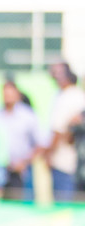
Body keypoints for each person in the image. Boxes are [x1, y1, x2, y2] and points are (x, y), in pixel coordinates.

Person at [40, 63, 85, 201]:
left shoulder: (69, 96)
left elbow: (59, 131)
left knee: (65, 210)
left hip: (67, 164)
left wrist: (48, 154)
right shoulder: (74, 95)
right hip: (74, 164)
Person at [0, 80, 41, 199]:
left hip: (21, 172)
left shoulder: (28, 116)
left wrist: (24, 162)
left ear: (17, 95)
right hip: (0, 171)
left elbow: (40, 144)